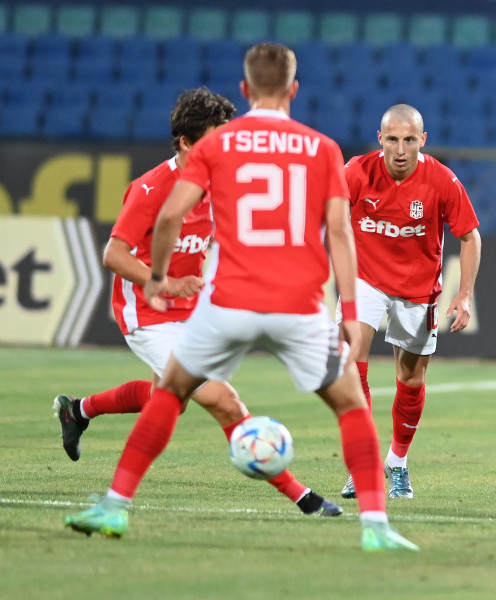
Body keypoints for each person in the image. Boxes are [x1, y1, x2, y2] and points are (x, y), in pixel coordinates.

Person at [64, 43, 418, 552]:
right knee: (351, 405)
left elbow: (168, 217)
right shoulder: (322, 148)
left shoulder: (217, 146)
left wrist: (158, 276)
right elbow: (340, 233)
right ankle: (377, 526)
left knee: (169, 393)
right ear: (294, 90)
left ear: (245, 90)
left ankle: (114, 507)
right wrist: (350, 309)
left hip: (227, 301)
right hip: (298, 302)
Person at [54, 87, 341, 517]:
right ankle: (303, 497)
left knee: (168, 398)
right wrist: (166, 283)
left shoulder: (223, 185)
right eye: (214, 139)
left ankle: (78, 411)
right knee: (222, 400)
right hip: (147, 313)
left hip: (192, 312)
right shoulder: (151, 189)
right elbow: (113, 254)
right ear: (187, 143)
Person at [338, 104, 481, 500]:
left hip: (417, 289)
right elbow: (327, 219)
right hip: (363, 278)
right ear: (380, 138)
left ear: (423, 140)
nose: (401, 149)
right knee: (350, 361)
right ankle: (362, 465)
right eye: (393, 139)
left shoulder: (442, 180)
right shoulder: (355, 173)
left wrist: (464, 293)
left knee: (411, 379)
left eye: (410, 140)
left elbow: (469, 236)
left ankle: (397, 463)